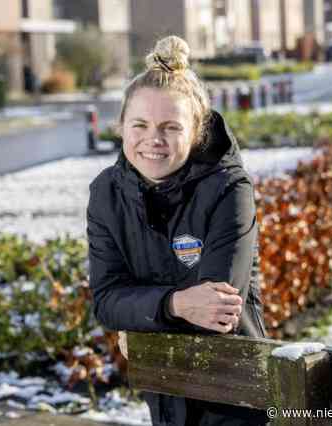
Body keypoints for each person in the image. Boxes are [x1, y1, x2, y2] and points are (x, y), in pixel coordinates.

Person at [87, 36, 268, 426]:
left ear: (197, 132)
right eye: (140, 124)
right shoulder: (106, 193)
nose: (153, 139)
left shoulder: (229, 189)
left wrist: (139, 312)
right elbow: (105, 301)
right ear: (121, 127)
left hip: (236, 396)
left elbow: (218, 310)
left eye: (171, 127)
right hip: (166, 394)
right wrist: (174, 304)